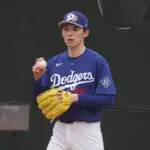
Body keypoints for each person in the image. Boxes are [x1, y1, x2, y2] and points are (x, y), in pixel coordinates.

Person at [32, 10, 116, 150]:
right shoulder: (53, 63)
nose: (70, 34)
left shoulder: (97, 62)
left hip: (87, 132)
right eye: (66, 29)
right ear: (62, 33)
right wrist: (37, 79)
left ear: (85, 33)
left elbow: (109, 100)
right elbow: (39, 100)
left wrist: (75, 98)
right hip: (60, 131)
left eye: (75, 29)